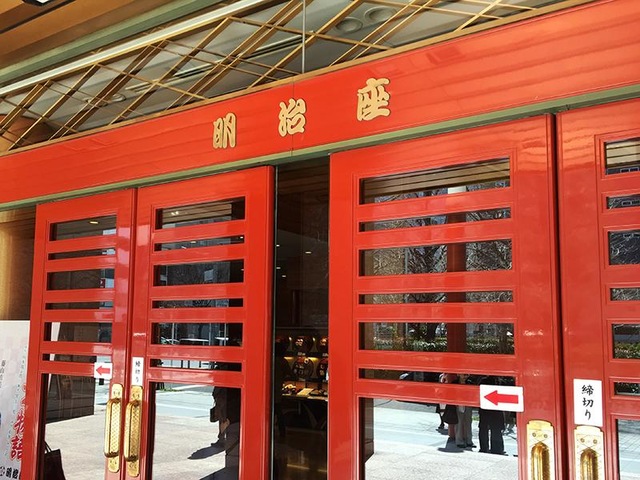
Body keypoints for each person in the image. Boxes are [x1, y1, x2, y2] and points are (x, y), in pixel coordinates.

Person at [478, 376, 506, 454]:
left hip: (485, 409)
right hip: (495, 409)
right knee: (495, 429)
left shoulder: (483, 381)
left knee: (484, 428)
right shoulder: (500, 382)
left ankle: (484, 448)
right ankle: (497, 449)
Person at [455, 373, 475, 449]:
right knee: (459, 422)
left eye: (466, 375)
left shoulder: (470, 383)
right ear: (459, 374)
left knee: (468, 422)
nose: (465, 377)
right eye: (463, 375)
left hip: (468, 403)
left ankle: (469, 440)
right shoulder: (455, 383)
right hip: (458, 404)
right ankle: (459, 441)